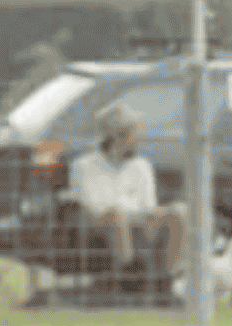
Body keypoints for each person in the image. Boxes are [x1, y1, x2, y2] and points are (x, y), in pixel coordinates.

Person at [68, 102, 186, 276]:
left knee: (179, 211)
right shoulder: (84, 165)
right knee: (116, 216)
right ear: (114, 136)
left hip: (139, 221)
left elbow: (149, 206)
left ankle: (172, 276)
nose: (135, 141)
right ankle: (127, 273)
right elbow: (92, 209)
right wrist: (124, 215)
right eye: (129, 135)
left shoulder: (141, 165)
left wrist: (154, 215)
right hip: (103, 224)